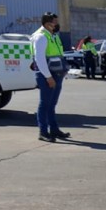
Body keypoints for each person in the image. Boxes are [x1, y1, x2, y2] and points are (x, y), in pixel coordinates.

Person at [30, 12, 70, 142]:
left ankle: (54, 129)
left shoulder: (52, 35)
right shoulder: (41, 37)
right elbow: (40, 58)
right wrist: (48, 77)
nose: (57, 25)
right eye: (55, 22)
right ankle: (43, 131)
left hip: (56, 73)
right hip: (48, 75)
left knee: (52, 104)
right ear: (48, 23)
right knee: (45, 104)